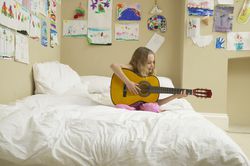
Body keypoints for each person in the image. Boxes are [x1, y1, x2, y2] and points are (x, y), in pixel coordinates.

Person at [110, 47, 188, 113]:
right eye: (149, 63)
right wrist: (128, 83)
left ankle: (137, 109)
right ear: (140, 62)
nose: (152, 65)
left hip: (143, 105)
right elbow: (114, 65)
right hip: (126, 102)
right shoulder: (132, 68)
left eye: (153, 62)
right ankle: (131, 109)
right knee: (120, 107)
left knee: (153, 107)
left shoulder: (151, 79)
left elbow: (156, 102)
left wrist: (175, 96)